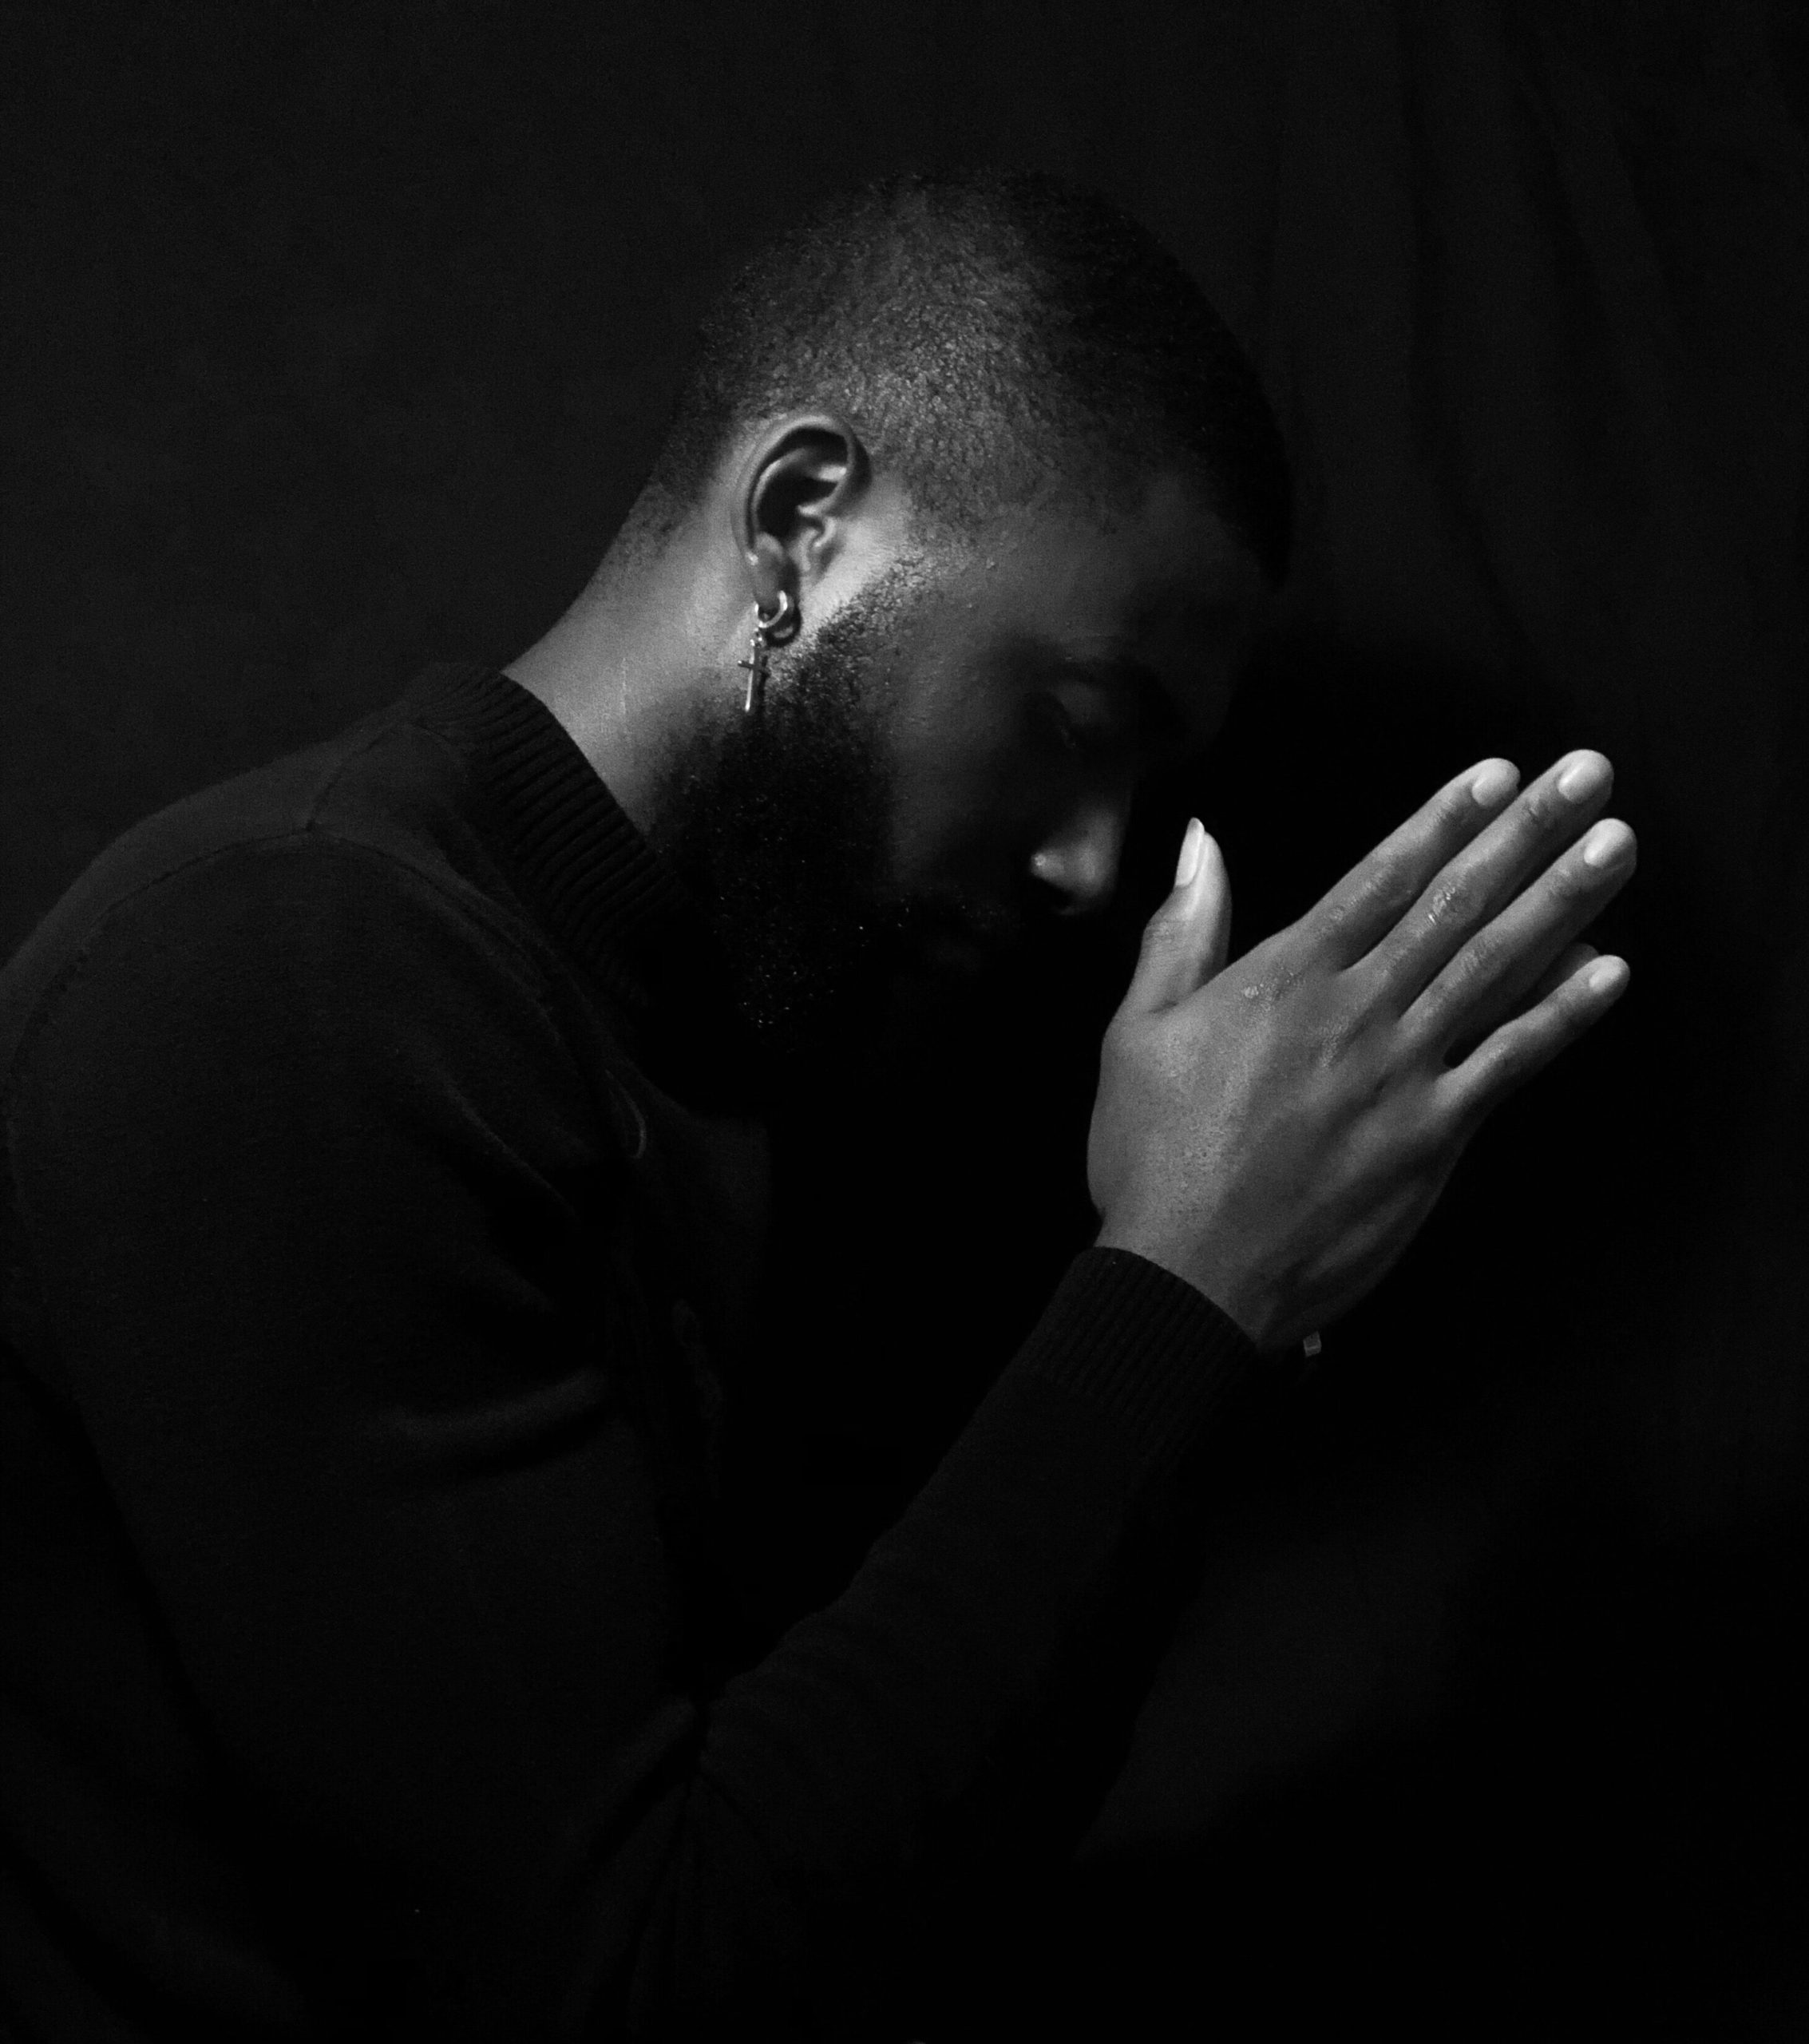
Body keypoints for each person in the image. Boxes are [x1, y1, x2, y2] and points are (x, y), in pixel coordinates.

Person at [0, 168, 1634, 2042]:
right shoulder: (299, 975)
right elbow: (638, 1987)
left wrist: (1209, 1301)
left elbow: (872, 1869)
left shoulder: (701, 1052)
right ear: (800, 523)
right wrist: (1183, 1279)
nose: (1090, 866)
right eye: (1078, 721)